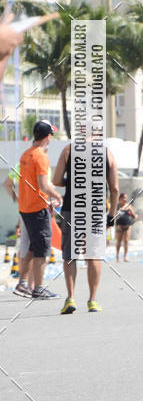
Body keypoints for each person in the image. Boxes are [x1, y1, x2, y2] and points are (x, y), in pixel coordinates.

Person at [52, 142, 119, 313]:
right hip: (96, 210)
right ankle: (93, 300)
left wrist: (72, 180)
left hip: (72, 208)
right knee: (93, 255)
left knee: (70, 254)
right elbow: (115, 189)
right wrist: (111, 216)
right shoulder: (107, 153)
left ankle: (71, 298)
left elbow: (56, 180)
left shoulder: (68, 150)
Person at [17, 120, 62, 299]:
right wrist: (57, 196)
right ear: (47, 136)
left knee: (33, 246)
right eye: (51, 134)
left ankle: (22, 283)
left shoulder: (26, 154)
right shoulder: (41, 156)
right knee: (42, 248)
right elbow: (44, 185)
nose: (51, 137)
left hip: (25, 207)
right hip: (37, 209)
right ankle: (38, 288)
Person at [2, 162, 35, 295]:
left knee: (24, 248)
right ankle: (32, 286)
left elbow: (6, 184)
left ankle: (23, 283)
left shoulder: (22, 164)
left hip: (23, 211)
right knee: (35, 249)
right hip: (36, 211)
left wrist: (17, 199)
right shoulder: (42, 163)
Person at [115, 192, 137, 262]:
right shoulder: (117, 206)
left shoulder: (129, 206)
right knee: (118, 242)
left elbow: (134, 216)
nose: (125, 199)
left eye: (126, 198)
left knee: (126, 241)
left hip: (127, 226)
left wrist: (132, 213)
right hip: (119, 226)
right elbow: (113, 215)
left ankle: (125, 256)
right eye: (124, 197)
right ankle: (117, 257)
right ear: (120, 198)